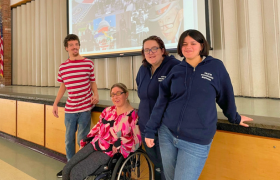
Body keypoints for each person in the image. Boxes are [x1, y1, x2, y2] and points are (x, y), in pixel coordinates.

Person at [144, 29, 253, 180]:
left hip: (195, 140)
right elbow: (161, 102)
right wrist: (150, 130)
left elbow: (225, 95)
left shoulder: (215, 67)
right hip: (167, 135)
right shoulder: (176, 70)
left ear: (201, 46)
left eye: (193, 43)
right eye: (184, 44)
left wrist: (235, 117)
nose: (188, 47)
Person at [62, 83, 141, 180]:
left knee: (76, 173)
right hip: (95, 143)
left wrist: (120, 141)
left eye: (118, 93)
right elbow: (98, 127)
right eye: (113, 94)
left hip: (109, 152)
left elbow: (137, 140)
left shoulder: (133, 116)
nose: (115, 97)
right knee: (67, 169)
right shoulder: (108, 111)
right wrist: (86, 139)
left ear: (126, 94)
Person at [52, 34, 99, 178]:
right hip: (70, 109)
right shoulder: (63, 67)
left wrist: (95, 95)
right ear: (67, 48)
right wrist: (55, 103)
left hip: (85, 108)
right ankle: (69, 165)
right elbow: (63, 87)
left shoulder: (88, 63)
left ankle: (81, 167)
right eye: (71, 45)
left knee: (82, 139)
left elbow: (92, 82)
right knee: (69, 139)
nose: (74, 47)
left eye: (76, 44)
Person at [136, 35, 180, 180]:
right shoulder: (143, 70)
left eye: (154, 48)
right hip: (146, 128)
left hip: (165, 129)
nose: (150, 52)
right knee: (158, 166)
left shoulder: (174, 67)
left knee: (168, 169)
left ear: (162, 50)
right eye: (146, 50)